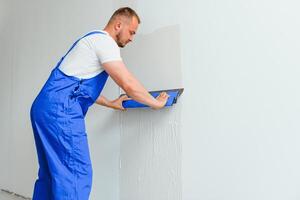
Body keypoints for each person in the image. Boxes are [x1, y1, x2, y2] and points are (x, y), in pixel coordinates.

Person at [30, 7, 169, 200]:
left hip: (44, 107)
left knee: (51, 175)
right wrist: (156, 103)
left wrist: (112, 103)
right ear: (118, 25)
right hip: (61, 112)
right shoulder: (105, 43)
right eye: (131, 32)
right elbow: (127, 83)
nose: (132, 38)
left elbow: (77, 88)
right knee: (76, 174)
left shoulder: (90, 40)